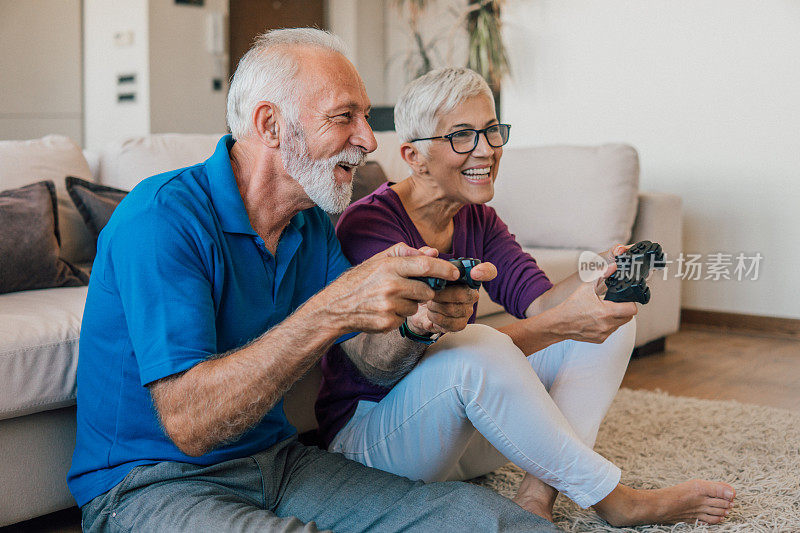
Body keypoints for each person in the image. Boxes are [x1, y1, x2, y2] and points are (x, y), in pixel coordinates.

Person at [67, 31, 563, 533]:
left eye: (366, 118)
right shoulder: (162, 217)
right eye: (345, 117)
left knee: (486, 520)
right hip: (149, 485)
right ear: (271, 124)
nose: (370, 141)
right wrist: (332, 310)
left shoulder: (310, 222)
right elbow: (192, 426)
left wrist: (417, 324)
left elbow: (368, 363)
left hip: (279, 463)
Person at [315, 67, 736, 527]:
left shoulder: (479, 219)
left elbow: (540, 303)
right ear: (415, 156)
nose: (487, 149)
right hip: (377, 448)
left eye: (492, 131)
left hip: (460, 443)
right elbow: (410, 361)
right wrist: (558, 324)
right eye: (462, 136)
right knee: (474, 344)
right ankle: (613, 499)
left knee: (612, 322)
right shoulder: (369, 225)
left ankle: (537, 497)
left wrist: (597, 275)